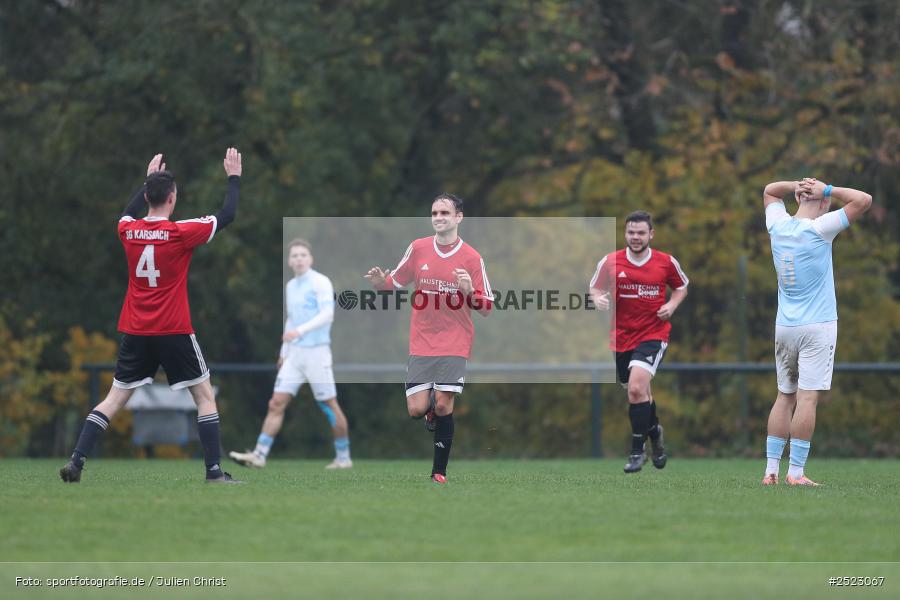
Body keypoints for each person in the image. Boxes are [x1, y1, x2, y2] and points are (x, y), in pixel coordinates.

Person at [59, 149, 243, 484]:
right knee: (204, 396)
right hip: (173, 329)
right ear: (172, 199)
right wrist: (234, 177)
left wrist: (146, 180)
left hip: (137, 330)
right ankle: (214, 472)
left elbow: (126, 214)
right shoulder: (180, 232)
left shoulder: (128, 231)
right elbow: (226, 214)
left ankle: (77, 461)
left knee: (114, 399)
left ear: (147, 196)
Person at [365, 193, 492, 484]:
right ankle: (430, 414)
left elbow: (486, 308)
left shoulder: (472, 258)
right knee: (417, 409)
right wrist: (378, 284)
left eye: (445, 213)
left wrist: (467, 290)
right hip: (422, 340)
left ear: (459, 217)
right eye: (434, 213)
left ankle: (439, 473)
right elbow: (392, 284)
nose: (438, 218)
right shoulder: (418, 248)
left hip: (455, 341)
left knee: (445, 404)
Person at [761, 178, 871, 486]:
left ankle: (770, 471)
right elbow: (863, 199)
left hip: (785, 326)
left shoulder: (777, 225)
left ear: (797, 198)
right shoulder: (821, 228)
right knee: (807, 399)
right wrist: (826, 188)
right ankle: (795, 474)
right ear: (823, 203)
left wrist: (798, 184)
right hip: (818, 326)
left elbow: (770, 190)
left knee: (785, 396)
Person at [229, 239, 352, 469]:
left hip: (317, 353)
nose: (298, 259)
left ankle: (343, 458)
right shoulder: (290, 286)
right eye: (294, 255)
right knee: (276, 403)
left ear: (311, 258)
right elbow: (291, 319)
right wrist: (284, 351)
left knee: (329, 405)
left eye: (303, 255)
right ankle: (259, 454)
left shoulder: (320, 282)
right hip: (295, 355)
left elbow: (328, 315)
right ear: (289, 261)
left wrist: (300, 332)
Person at [589, 211, 689, 474]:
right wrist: (597, 299)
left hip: (653, 335)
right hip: (621, 338)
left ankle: (636, 451)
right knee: (639, 393)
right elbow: (595, 288)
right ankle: (655, 432)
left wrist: (672, 304)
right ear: (625, 234)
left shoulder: (665, 262)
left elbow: (681, 286)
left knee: (636, 388)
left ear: (651, 234)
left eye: (641, 233)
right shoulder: (610, 262)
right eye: (631, 232)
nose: (635, 237)